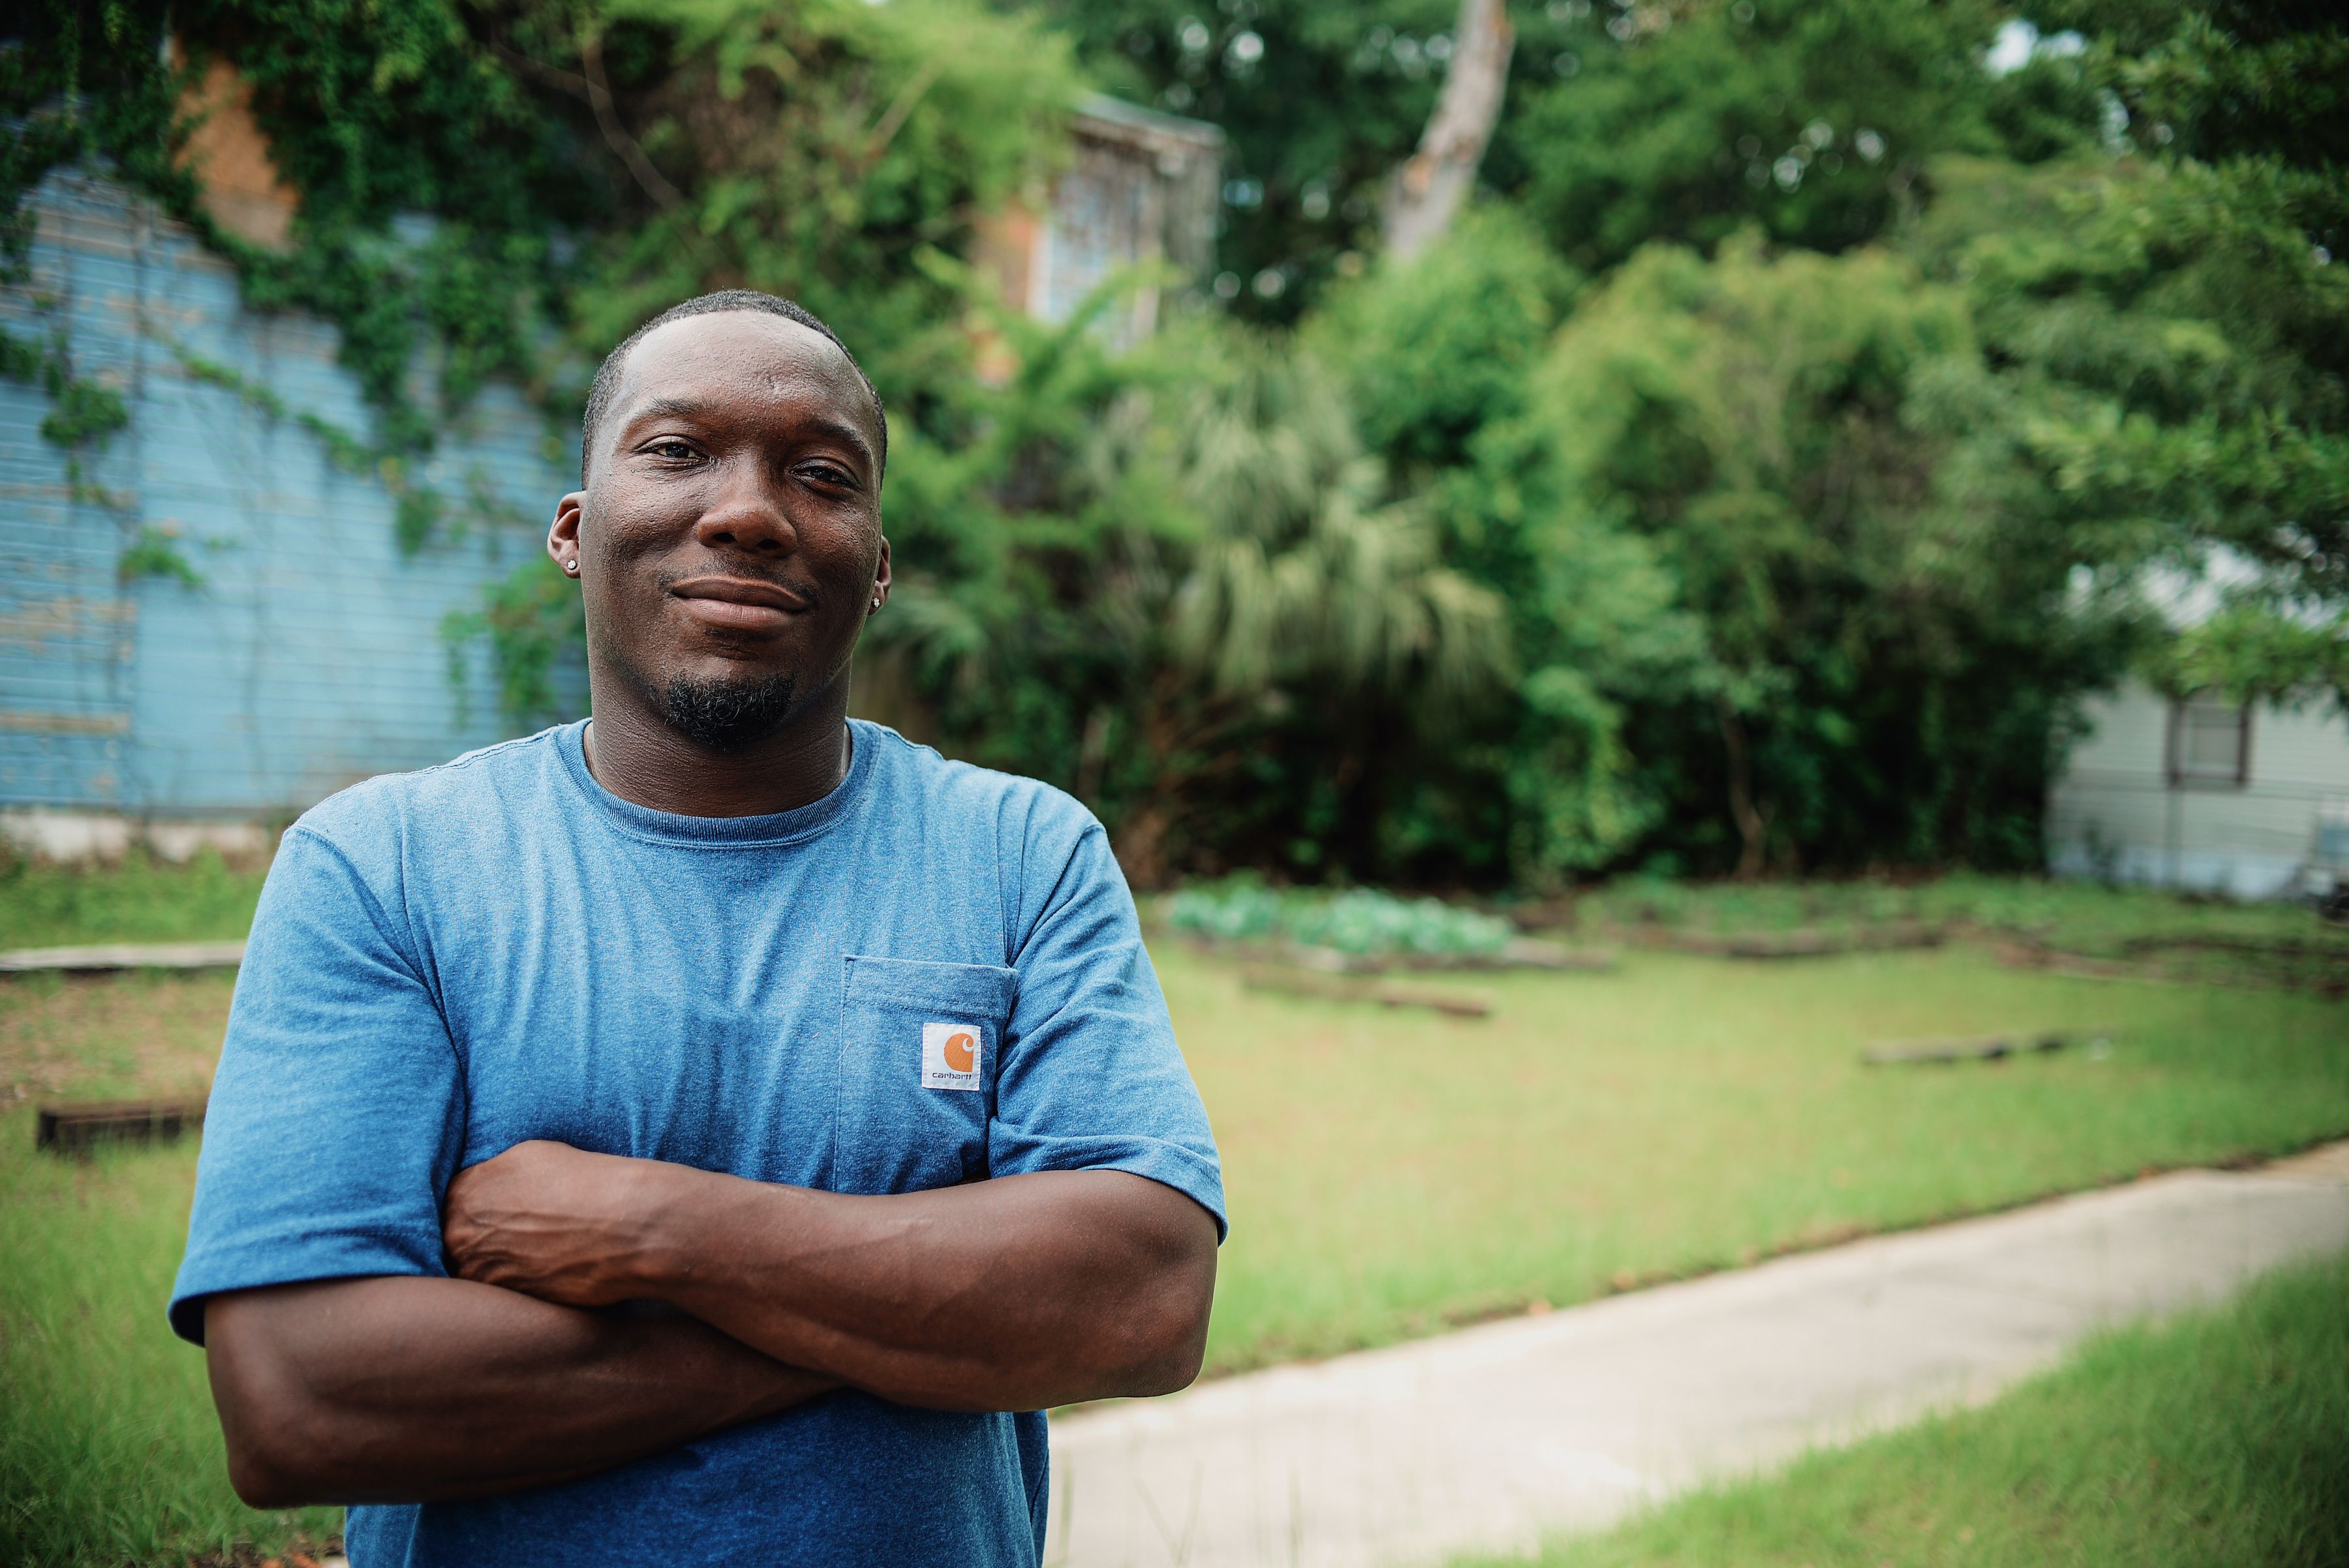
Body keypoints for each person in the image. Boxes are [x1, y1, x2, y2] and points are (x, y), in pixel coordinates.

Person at [170, 290, 1225, 1567]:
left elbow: (1145, 1299)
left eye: (821, 473)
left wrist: (643, 1227)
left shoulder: (1019, 857)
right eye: (676, 451)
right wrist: (919, 1315)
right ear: (575, 528)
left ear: (878, 563)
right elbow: (298, 1399)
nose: (747, 510)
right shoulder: (382, 867)